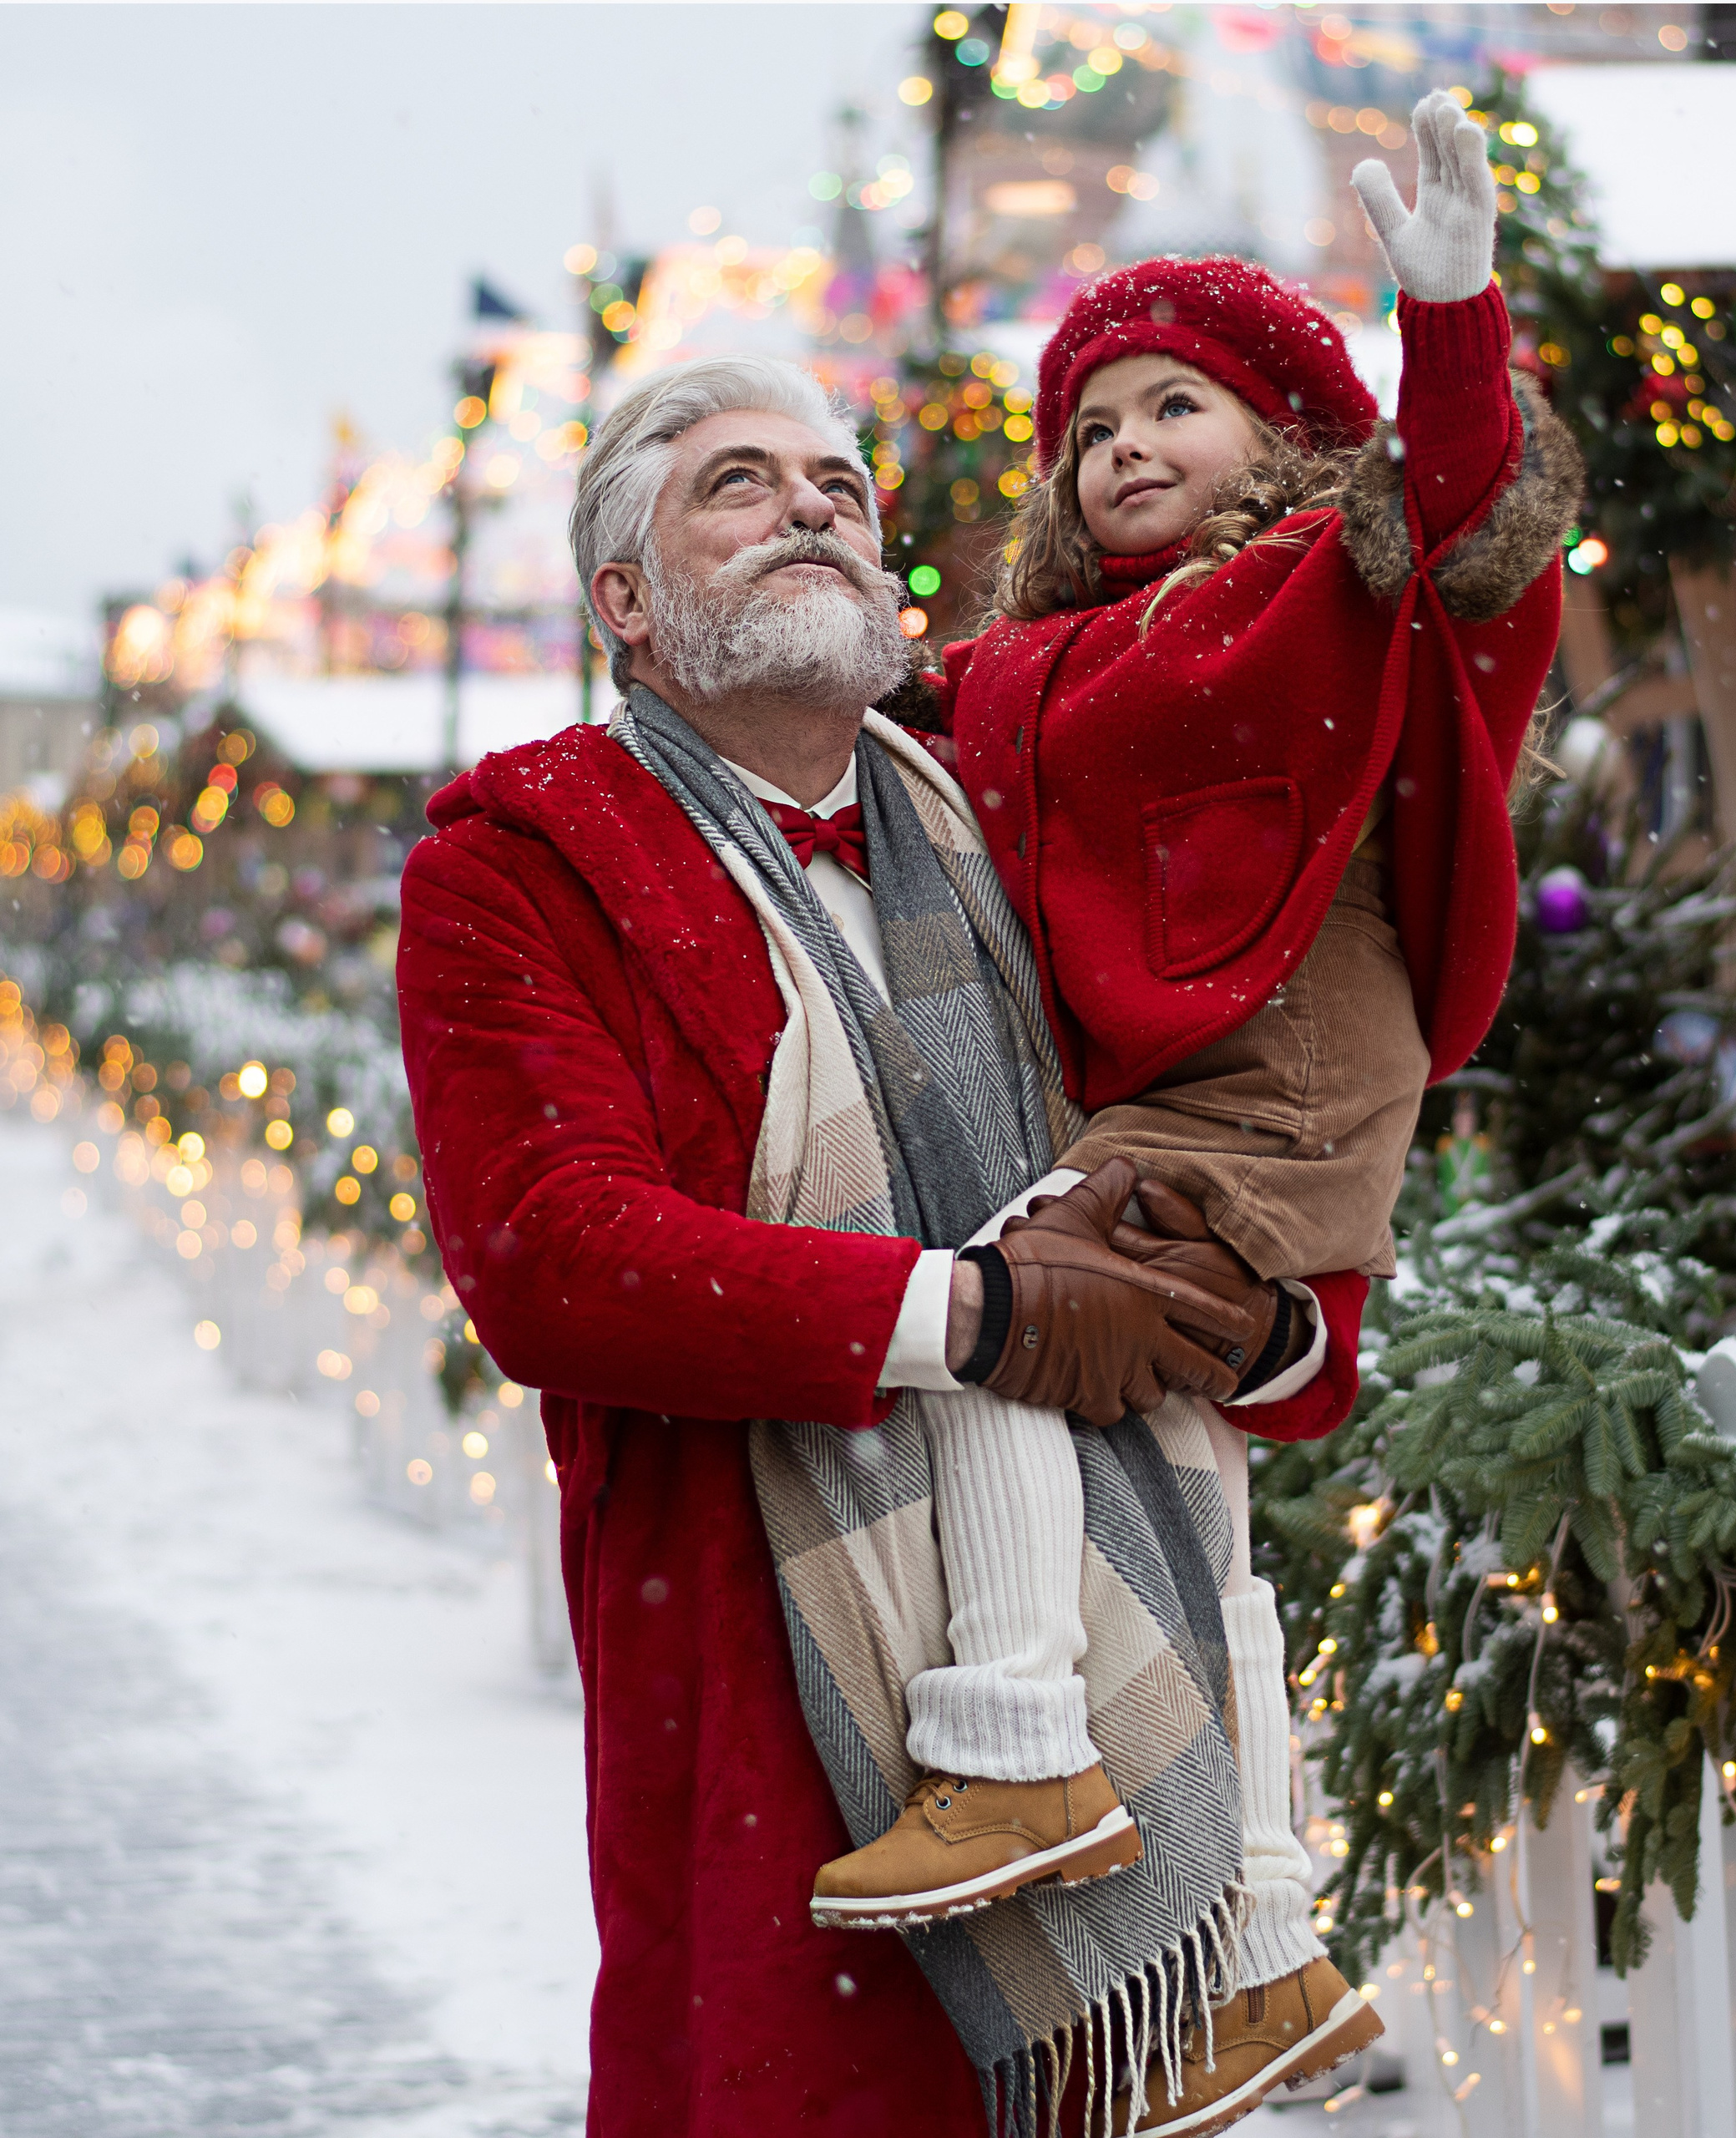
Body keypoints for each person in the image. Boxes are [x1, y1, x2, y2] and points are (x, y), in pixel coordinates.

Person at [396, 350, 1371, 2137]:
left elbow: (1231, 1072)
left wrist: (1251, 1318)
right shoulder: (522, 857)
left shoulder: (998, 800)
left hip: (1101, 1587)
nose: (813, 508)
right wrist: (977, 1315)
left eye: (836, 483)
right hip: (766, 1632)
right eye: (739, 484)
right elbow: (551, 1250)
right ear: (624, 599)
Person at [823, 92, 1581, 2134]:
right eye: (1093, 424)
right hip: (1167, 1107)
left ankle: (1011, 1743)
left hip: (1284, 1099)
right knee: (1178, 1509)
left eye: (1181, 405)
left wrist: (1450, 319)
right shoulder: (1046, 656)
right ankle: (1259, 1953)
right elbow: (908, 703)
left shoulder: (1337, 589)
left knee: (987, 1311)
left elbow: (1474, 528)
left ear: (1287, 439)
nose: (1130, 445)